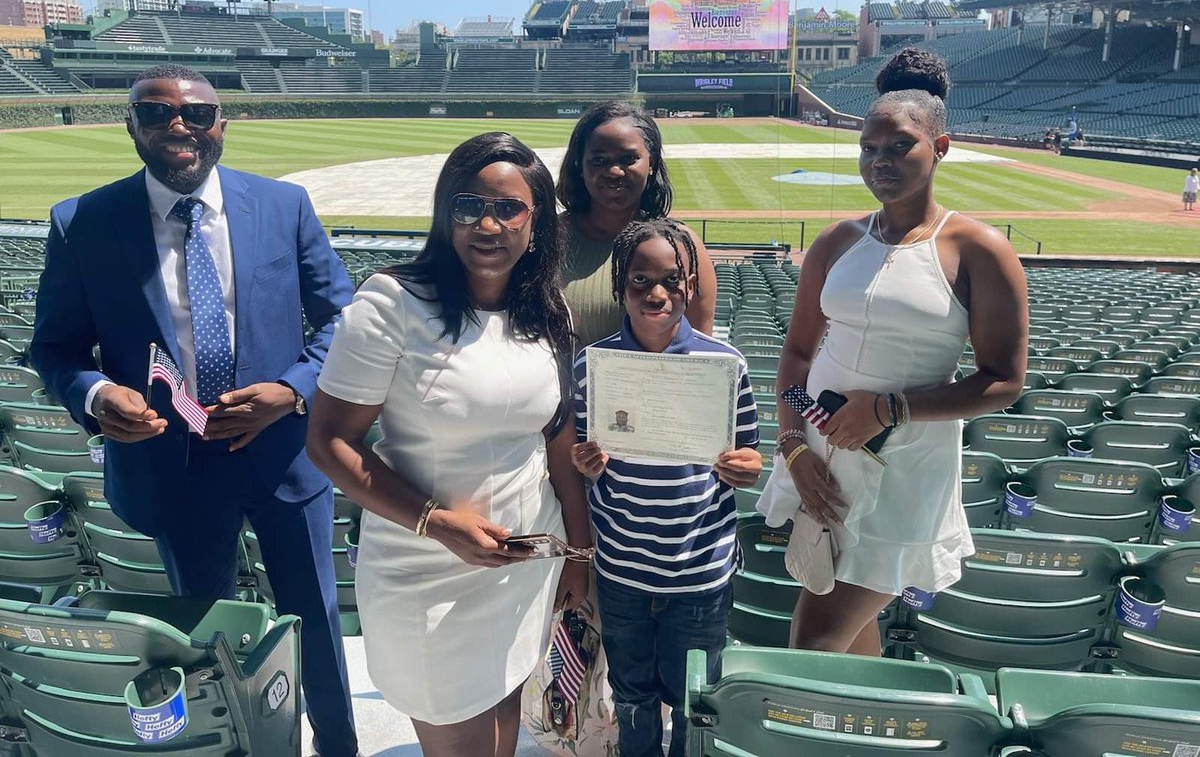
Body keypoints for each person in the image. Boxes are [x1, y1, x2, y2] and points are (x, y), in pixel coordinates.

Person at [29, 64, 359, 756]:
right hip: (170, 467)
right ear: (132, 126)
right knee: (203, 636)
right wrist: (95, 393)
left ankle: (337, 746)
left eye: (197, 114)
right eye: (156, 114)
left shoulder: (284, 204)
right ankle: (232, 745)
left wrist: (293, 388)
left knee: (319, 623)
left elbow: (342, 320)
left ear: (222, 126)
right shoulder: (82, 221)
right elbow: (55, 348)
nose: (179, 126)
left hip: (282, 452)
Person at [306, 132, 592, 757]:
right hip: (425, 566)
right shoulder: (390, 305)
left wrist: (577, 549)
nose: (486, 224)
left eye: (508, 208)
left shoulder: (547, 312)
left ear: (537, 220)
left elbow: (557, 436)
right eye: (467, 206)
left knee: (503, 732)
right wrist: (437, 523)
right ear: (444, 215)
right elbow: (329, 442)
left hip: (522, 564)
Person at [756, 48, 1028, 656]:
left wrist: (890, 409)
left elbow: (1004, 380)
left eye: (899, 146)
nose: (880, 161)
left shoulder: (979, 249)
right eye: (868, 148)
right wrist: (795, 443)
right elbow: (798, 358)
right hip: (821, 457)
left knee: (814, 639)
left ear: (941, 147)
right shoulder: (837, 240)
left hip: (905, 468)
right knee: (851, 633)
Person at [570, 218, 762, 757]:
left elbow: (748, 451)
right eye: (640, 280)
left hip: (699, 567)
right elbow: (582, 453)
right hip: (623, 566)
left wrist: (747, 468)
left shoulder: (724, 365)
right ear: (619, 287)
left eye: (672, 280)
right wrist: (586, 461)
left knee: (692, 700)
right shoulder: (593, 366)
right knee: (631, 695)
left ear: (691, 287)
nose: (656, 293)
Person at [557, 101, 718, 346]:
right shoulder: (549, 237)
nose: (615, 171)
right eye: (599, 160)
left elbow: (699, 353)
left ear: (651, 163)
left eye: (628, 158)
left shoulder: (683, 247)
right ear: (580, 164)